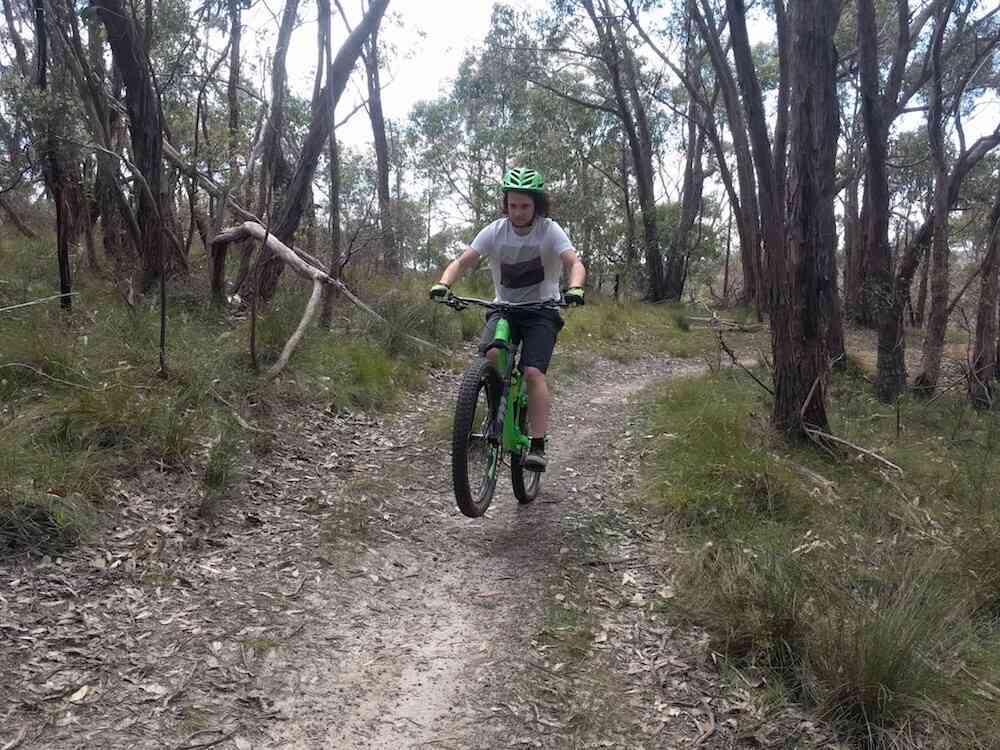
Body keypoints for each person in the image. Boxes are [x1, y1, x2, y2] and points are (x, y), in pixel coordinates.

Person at [430, 167, 586, 472]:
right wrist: (443, 283)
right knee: (490, 354)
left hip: (542, 310)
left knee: (532, 373)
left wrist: (576, 287)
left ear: (537, 205)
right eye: (513, 205)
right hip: (504, 308)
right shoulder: (494, 231)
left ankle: (538, 443)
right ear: (506, 204)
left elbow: (573, 262)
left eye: (525, 206)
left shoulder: (550, 230)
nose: (518, 212)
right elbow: (462, 261)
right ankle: (499, 407)